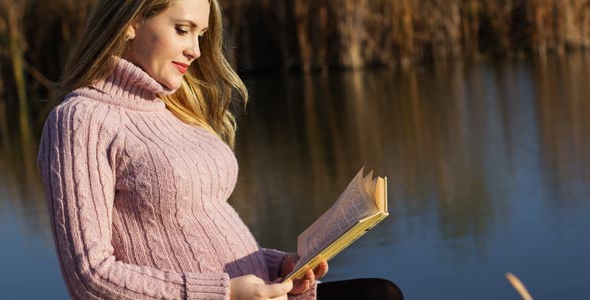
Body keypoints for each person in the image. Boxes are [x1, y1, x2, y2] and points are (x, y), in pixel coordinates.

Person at [37, 0, 402, 299]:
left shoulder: (173, 107)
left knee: (382, 293)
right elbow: (90, 277)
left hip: (255, 293)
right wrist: (224, 293)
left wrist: (277, 268)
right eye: (183, 30)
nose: (195, 50)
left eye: (202, 34)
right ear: (131, 22)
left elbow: (196, 234)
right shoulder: (79, 120)